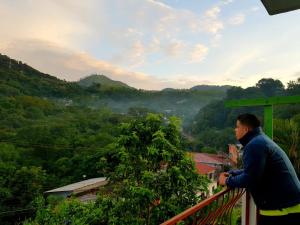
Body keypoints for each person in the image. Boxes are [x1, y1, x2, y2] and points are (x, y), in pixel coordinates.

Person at [218, 113, 300, 225]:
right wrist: (232, 173)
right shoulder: (261, 140)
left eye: (237, 127)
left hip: (282, 209)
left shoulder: (254, 145)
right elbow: (256, 170)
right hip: (288, 204)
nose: (235, 130)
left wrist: (226, 181)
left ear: (245, 129)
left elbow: (250, 178)